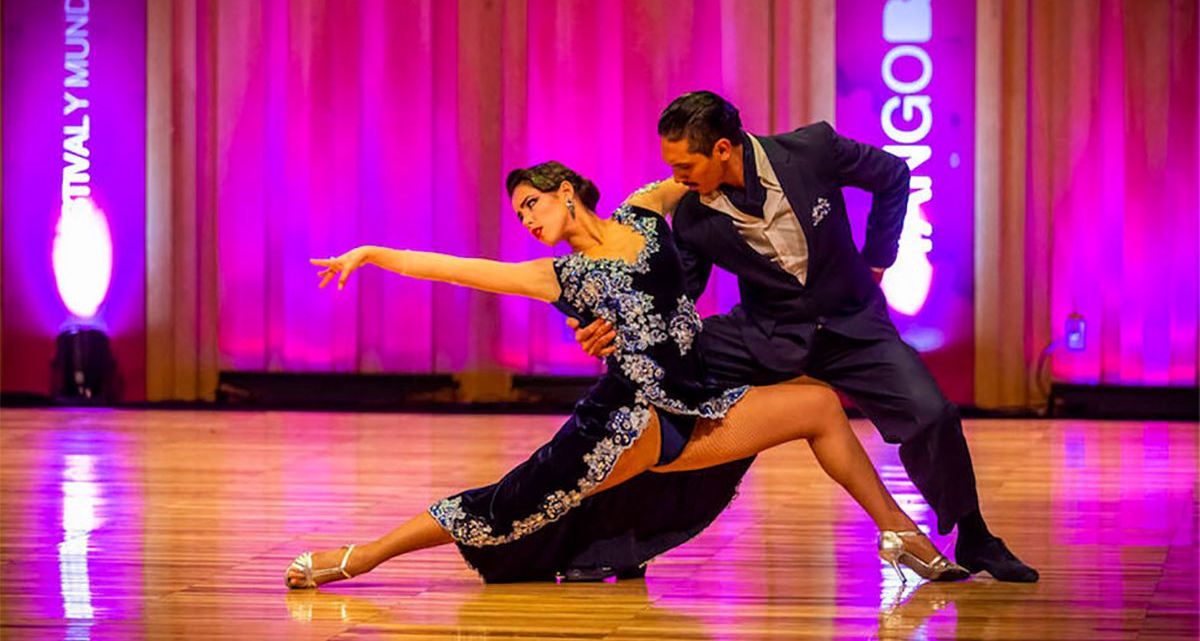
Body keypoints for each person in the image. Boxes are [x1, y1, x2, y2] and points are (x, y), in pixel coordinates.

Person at [285, 162, 969, 588]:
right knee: (506, 505)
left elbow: (705, 160)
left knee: (819, 403)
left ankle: (902, 538)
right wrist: (374, 252)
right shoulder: (553, 274)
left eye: (532, 204)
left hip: (700, 403)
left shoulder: (644, 212)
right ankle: (361, 556)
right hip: (625, 422)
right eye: (519, 212)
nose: (525, 219)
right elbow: (452, 268)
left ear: (565, 192)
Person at [570, 92, 1037, 582]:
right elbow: (678, 296)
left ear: (724, 149)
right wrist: (616, 324)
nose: (675, 177)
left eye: (685, 164)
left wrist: (877, 259)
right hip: (764, 332)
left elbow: (894, 175)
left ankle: (974, 533)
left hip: (853, 324)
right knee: (661, 384)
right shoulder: (690, 216)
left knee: (932, 414)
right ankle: (612, 543)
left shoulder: (813, 149)